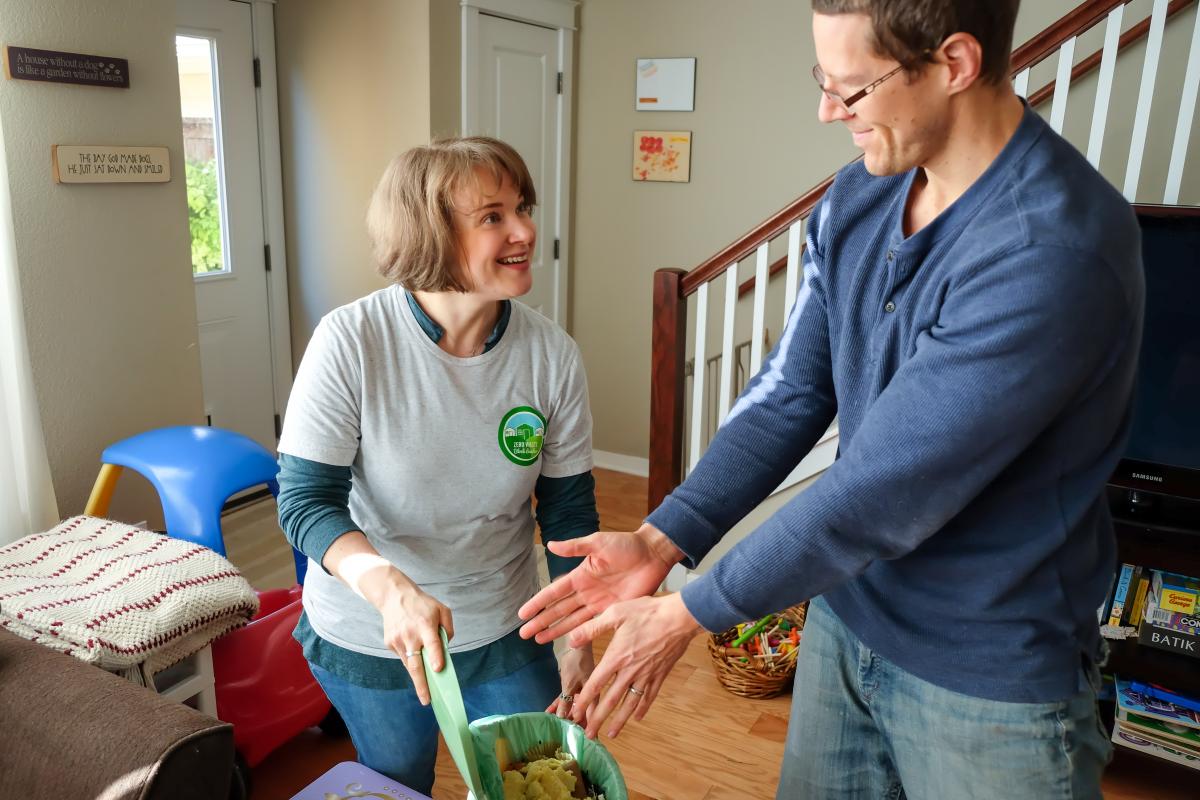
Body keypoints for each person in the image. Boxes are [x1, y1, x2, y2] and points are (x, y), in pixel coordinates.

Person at [518, 2, 1144, 797]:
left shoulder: (1052, 248)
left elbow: (878, 490)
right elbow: (790, 390)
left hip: (990, 677)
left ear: (953, 64)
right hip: (848, 623)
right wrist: (664, 537)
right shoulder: (859, 197)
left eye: (850, 89)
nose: (827, 111)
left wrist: (686, 613)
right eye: (824, 80)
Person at [276, 136, 598, 795]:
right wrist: (391, 588)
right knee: (398, 784)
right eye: (493, 217)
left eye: (523, 208)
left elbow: (567, 510)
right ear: (429, 233)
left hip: (506, 624)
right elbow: (306, 501)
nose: (526, 230)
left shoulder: (552, 356)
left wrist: (576, 631)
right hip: (373, 634)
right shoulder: (350, 342)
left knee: (538, 783)